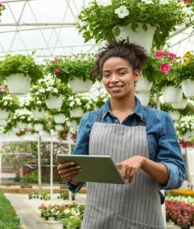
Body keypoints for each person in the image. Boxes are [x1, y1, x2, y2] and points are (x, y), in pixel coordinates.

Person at [57, 40, 185, 229]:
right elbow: (78, 177)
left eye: (121, 72)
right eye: (107, 75)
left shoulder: (158, 120)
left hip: (143, 220)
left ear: (136, 75)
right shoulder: (90, 120)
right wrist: (70, 174)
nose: (113, 79)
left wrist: (143, 161)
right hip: (98, 220)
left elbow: (176, 175)